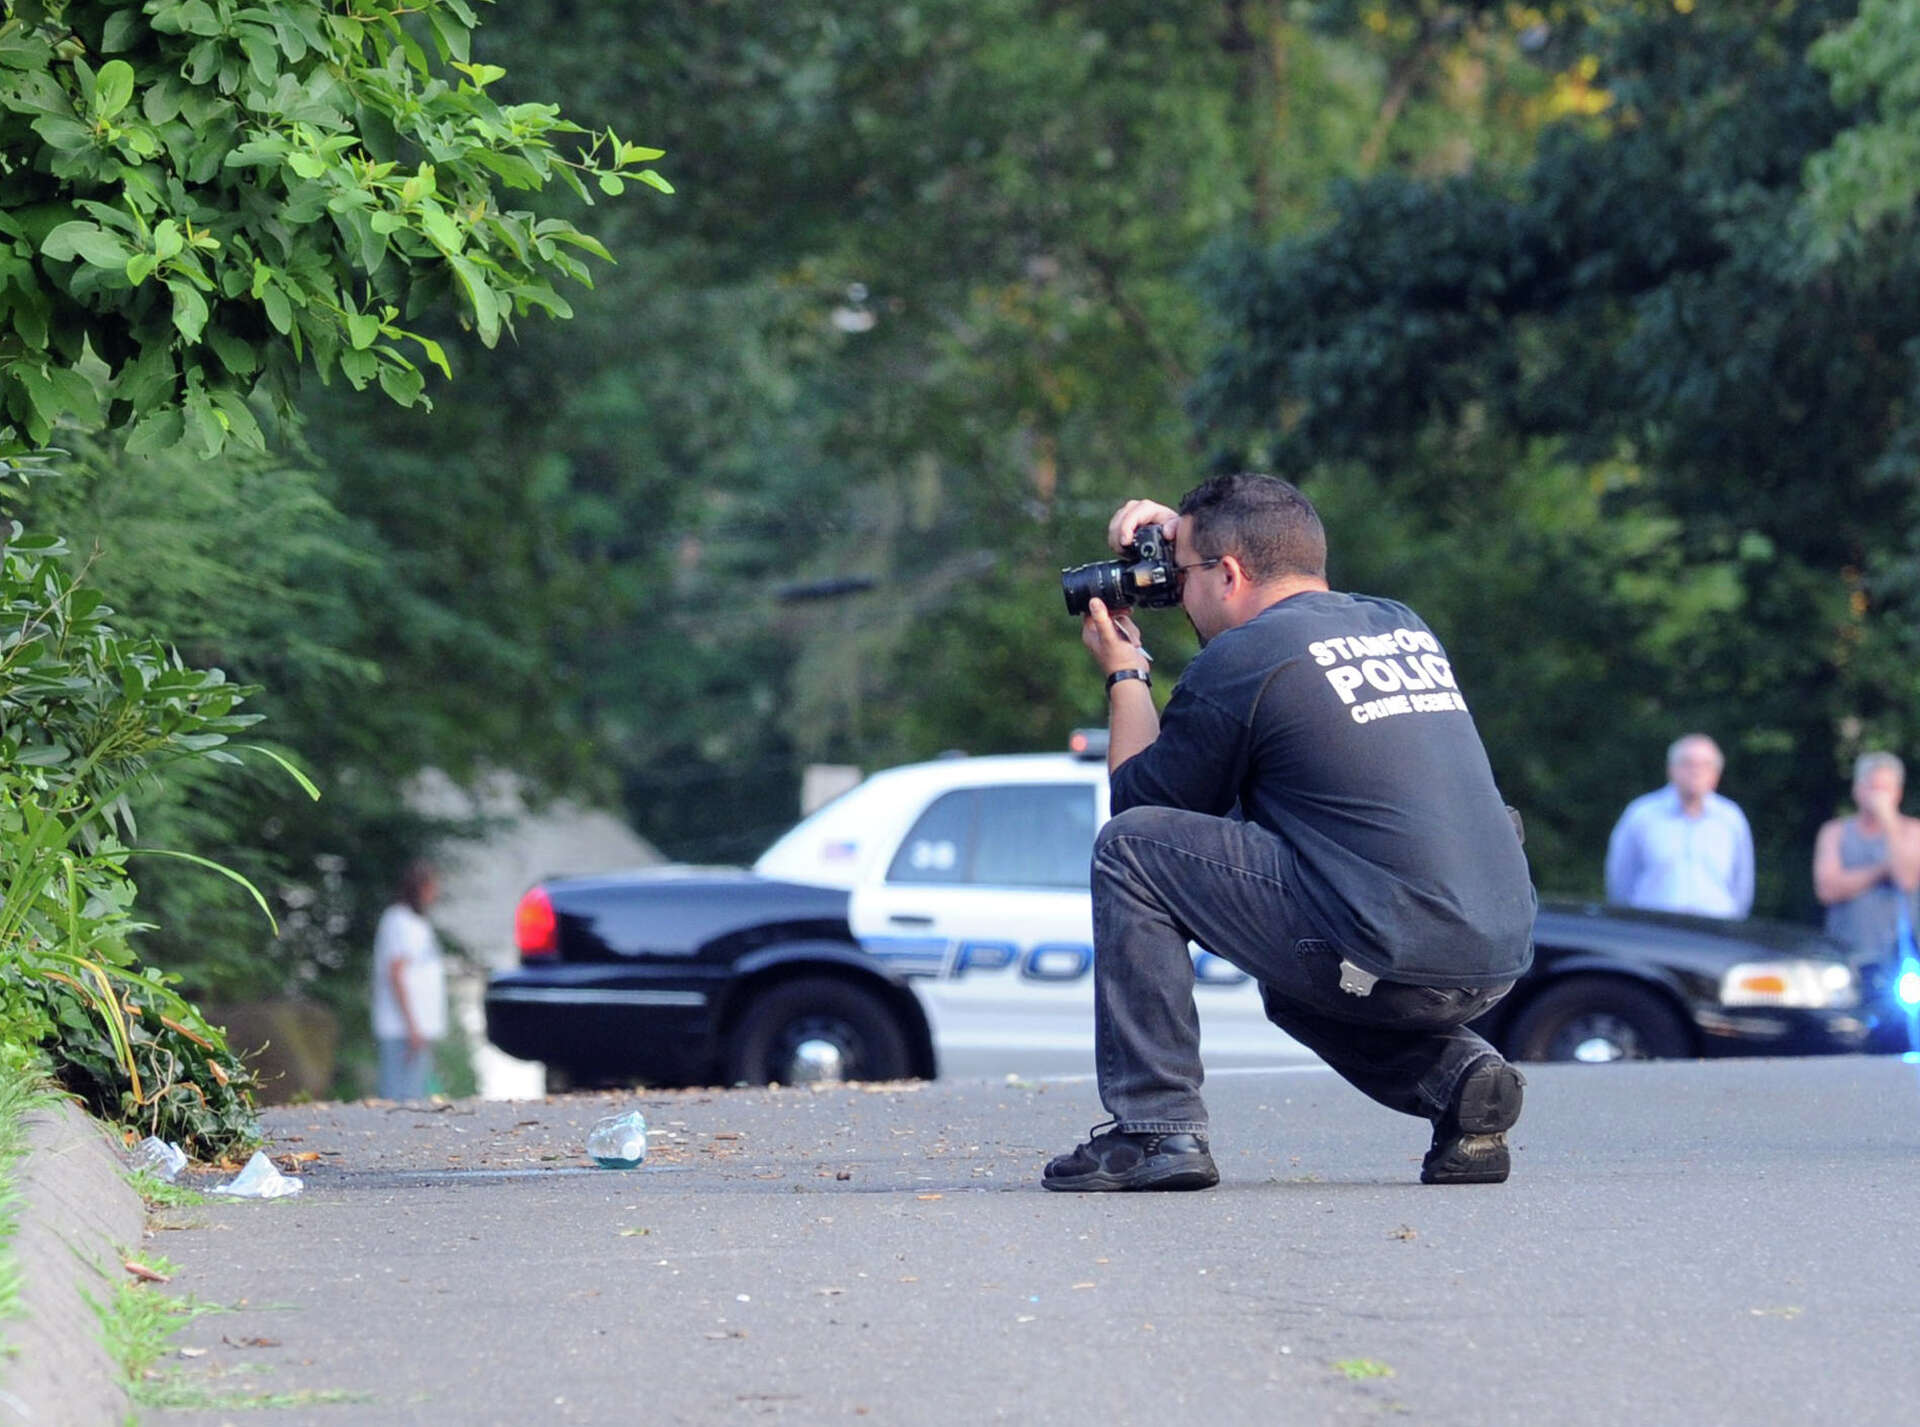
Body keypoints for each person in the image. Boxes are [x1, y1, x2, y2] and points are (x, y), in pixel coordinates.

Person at [1044, 473, 1535, 1194]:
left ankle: (1156, 1129)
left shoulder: (1242, 659)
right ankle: (1460, 1081)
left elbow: (1139, 810)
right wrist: (1192, 532)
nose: (1176, 592)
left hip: (1381, 946)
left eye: (1180, 576)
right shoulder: (1398, 622)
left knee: (1133, 851)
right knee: (1290, 974)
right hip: (1496, 949)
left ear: (1231, 572)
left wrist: (1126, 672)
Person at [1603, 734, 1754, 919]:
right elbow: (1620, 879)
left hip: (1716, 933)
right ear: (1671, 769)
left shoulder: (1731, 818)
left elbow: (1742, 883)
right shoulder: (1641, 815)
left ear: (1716, 775)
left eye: (1705, 765)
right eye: (1687, 763)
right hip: (1654, 931)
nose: (1695, 771)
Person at [1812, 751, 1920, 966]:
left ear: (1897, 793)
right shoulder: (1835, 832)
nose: (1878, 796)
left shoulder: (1913, 831)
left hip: (1901, 958)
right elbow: (1827, 889)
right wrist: (1881, 870)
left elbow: (1905, 878)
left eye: (1885, 789)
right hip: (1844, 954)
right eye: (1872, 787)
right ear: (1857, 790)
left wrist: (1889, 821)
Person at [371, 859, 448, 1101]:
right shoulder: (399, 921)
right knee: (401, 1098)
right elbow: (396, 973)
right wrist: (412, 1025)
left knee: (416, 1095)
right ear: (421, 887)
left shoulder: (416, 923)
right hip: (401, 1027)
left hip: (416, 1026)